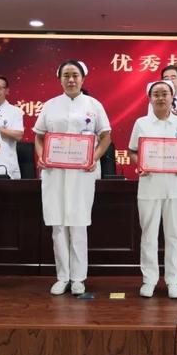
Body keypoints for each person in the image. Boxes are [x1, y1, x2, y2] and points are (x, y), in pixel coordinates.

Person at [33, 60, 112, 296]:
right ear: (60, 79)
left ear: (82, 78)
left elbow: (106, 136)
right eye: (66, 75)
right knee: (58, 224)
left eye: (75, 75)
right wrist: (42, 156)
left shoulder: (93, 105)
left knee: (78, 224)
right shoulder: (50, 105)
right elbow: (39, 136)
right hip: (55, 172)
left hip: (82, 173)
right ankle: (62, 277)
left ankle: (78, 278)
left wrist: (93, 158)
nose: (70, 79)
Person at [130, 80, 177, 299]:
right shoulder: (141, 123)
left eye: (165, 93)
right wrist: (140, 163)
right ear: (150, 98)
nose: (160, 98)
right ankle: (149, 280)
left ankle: (173, 281)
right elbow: (133, 151)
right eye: (156, 94)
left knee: (174, 236)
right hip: (149, 186)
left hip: (175, 187)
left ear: (172, 97)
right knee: (148, 235)